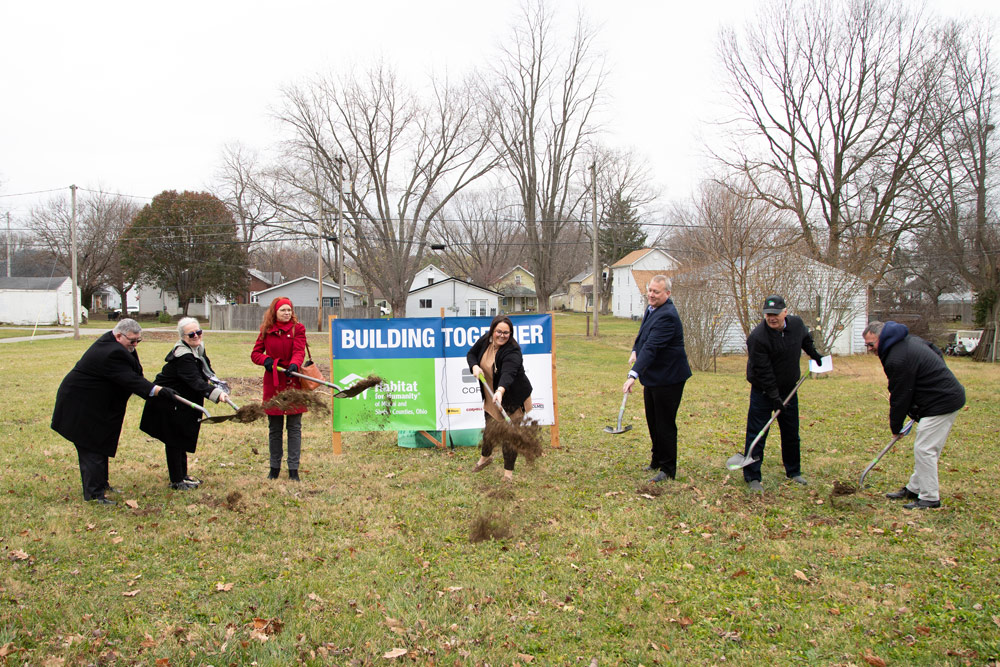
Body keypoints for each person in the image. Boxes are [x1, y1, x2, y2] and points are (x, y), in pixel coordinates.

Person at [51, 319, 177, 505]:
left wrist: (153, 388)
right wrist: (157, 391)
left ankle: (101, 484)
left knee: (101, 442)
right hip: (80, 405)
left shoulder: (118, 346)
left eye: (138, 341)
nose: (135, 345)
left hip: (96, 404)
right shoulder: (111, 352)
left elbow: (134, 375)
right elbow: (129, 379)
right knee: (91, 446)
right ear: (118, 335)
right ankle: (94, 495)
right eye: (132, 341)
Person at [863, 321, 965, 509]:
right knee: (925, 448)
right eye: (867, 345)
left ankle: (929, 498)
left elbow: (900, 395)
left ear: (883, 338)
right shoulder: (906, 340)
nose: (870, 349)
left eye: (871, 344)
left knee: (925, 449)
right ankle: (915, 488)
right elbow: (935, 351)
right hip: (937, 399)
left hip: (943, 401)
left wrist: (896, 427)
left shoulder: (897, 358)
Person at [742, 295, 824, 493]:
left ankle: (794, 471)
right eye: (768, 314)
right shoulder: (758, 338)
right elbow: (763, 371)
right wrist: (773, 396)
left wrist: (814, 354)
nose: (772, 318)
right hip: (763, 391)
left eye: (776, 314)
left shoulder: (796, 324)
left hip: (789, 389)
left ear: (785, 312)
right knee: (757, 433)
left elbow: (804, 338)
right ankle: (752, 476)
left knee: (790, 432)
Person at [139, 318, 231, 490]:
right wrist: (216, 394)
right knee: (174, 439)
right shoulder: (184, 356)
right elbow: (194, 381)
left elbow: (205, 374)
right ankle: (176, 480)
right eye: (191, 334)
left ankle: (183, 475)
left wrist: (218, 385)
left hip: (184, 400)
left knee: (182, 437)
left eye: (198, 332)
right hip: (169, 401)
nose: (196, 336)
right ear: (183, 336)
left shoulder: (198, 349)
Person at [623, 275, 692, 483]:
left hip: (669, 378)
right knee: (653, 420)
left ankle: (668, 468)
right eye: (650, 290)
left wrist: (633, 374)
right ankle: (656, 460)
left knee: (665, 423)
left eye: (656, 292)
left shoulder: (667, 315)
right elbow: (643, 335)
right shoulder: (653, 308)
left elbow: (652, 347)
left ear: (667, 294)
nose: (651, 295)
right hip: (654, 376)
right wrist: (636, 349)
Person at [468, 315, 533, 483]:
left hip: (511, 397)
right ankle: (485, 458)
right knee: (490, 431)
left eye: (506, 332)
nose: (502, 335)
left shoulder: (513, 351)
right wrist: (474, 366)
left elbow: (508, 373)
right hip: (491, 396)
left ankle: (507, 475)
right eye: (499, 331)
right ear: (493, 331)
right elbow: (471, 354)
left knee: (509, 436)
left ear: (510, 333)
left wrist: (501, 390)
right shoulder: (486, 340)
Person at [251, 297, 307, 481]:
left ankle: (293, 470)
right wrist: (266, 360)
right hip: (273, 383)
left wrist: (294, 365)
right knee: (274, 428)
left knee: (294, 427)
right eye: (283, 310)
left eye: (289, 310)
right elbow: (255, 353)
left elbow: (299, 351)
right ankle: (274, 468)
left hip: (293, 381)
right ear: (275, 311)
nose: (287, 313)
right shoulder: (266, 330)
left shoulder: (297, 328)